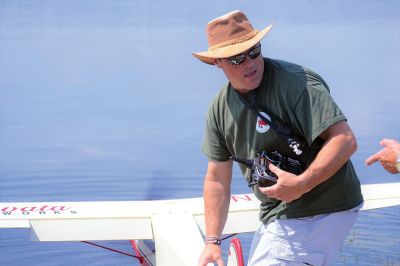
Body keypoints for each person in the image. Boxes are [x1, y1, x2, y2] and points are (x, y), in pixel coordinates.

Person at [193, 10, 363, 266]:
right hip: (276, 213)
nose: (250, 62)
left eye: (254, 51)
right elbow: (217, 178)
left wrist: (302, 183)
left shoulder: (297, 84)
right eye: (237, 59)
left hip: (322, 207)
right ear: (218, 62)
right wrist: (212, 241)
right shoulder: (219, 108)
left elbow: (345, 140)